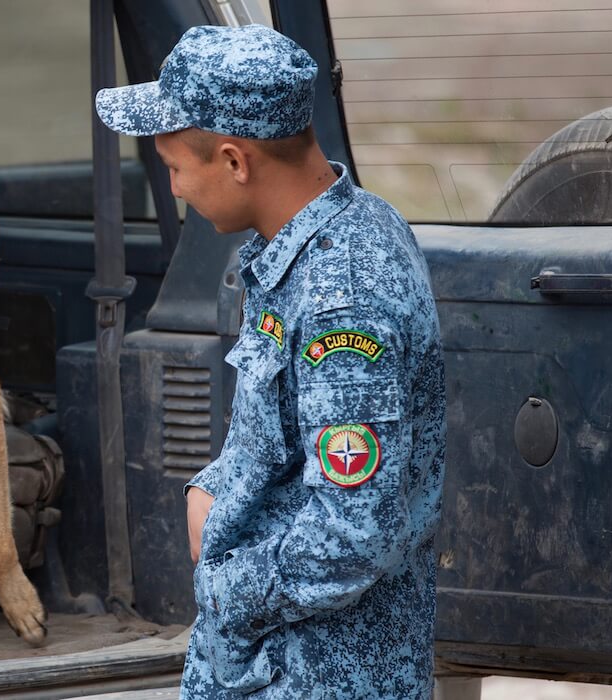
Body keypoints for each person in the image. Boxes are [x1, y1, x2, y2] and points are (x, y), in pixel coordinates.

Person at [94, 23, 447, 699]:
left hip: (311, 675)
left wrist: (227, 588)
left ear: (235, 160)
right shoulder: (334, 235)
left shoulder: (344, 294)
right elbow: (291, 430)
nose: (173, 190)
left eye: (175, 167)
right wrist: (218, 482)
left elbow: (352, 532)